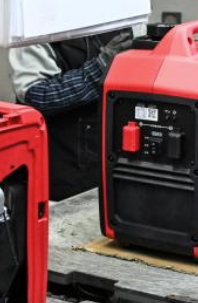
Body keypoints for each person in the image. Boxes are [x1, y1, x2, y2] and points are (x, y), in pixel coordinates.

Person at [8, 29, 135, 201]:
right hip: (62, 168)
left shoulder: (119, 15)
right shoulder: (35, 26)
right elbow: (37, 95)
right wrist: (101, 67)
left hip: (112, 159)